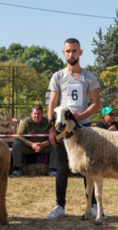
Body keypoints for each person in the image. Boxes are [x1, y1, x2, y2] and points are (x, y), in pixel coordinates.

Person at [46, 38, 101, 220]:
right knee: (62, 167)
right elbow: (53, 103)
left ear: (80, 52)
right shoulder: (58, 76)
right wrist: (52, 129)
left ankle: (93, 206)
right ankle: (60, 206)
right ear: (64, 53)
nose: (71, 54)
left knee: (89, 168)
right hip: (63, 129)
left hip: (83, 129)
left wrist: (80, 116)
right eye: (68, 51)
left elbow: (97, 104)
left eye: (74, 51)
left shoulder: (89, 77)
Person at [10, 105, 58, 178]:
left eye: (39, 114)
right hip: (28, 147)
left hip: (44, 147)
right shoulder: (26, 122)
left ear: (42, 114)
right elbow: (19, 136)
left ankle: (52, 170)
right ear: (31, 114)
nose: (37, 115)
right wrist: (32, 144)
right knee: (16, 145)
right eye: (35, 113)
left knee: (55, 145)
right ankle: (18, 170)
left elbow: (53, 137)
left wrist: (42, 145)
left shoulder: (48, 122)